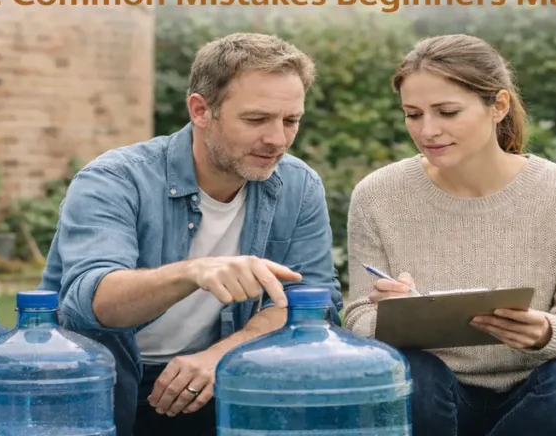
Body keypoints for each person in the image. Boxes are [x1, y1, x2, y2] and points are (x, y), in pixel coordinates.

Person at [39, 32, 344, 436]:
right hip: (97, 381)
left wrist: (223, 354)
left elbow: (314, 302)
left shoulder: (298, 184)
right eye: (256, 120)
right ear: (201, 110)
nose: (277, 140)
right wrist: (193, 271)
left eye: (291, 121)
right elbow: (91, 304)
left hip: (218, 377)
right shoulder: (114, 179)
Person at [343, 34, 556, 436]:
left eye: (447, 111)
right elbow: (357, 317)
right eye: (413, 114)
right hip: (432, 394)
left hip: (539, 395)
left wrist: (547, 332)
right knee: (410, 372)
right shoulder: (378, 195)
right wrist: (391, 316)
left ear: (499, 106)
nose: (428, 130)